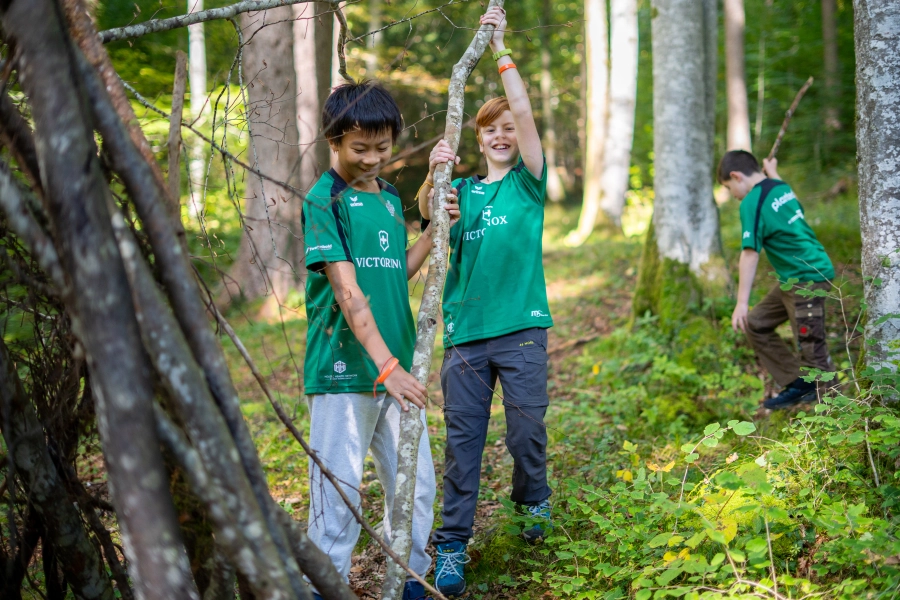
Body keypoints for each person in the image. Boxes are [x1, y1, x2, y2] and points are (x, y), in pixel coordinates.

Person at [302, 80, 458, 600]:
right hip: (344, 372)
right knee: (338, 498)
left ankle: (410, 580)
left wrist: (433, 233)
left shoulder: (390, 197)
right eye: (359, 148)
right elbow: (347, 293)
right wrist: (386, 366)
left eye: (382, 147)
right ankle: (324, 589)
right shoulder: (324, 201)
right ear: (334, 141)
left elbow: (395, 272)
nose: (371, 159)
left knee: (416, 487)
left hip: (398, 371)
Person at [418, 7, 552, 596]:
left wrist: (499, 47)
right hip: (465, 337)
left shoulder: (528, 183)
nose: (501, 136)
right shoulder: (463, 192)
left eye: (507, 129)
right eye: (489, 131)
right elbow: (426, 211)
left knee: (526, 435)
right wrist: (433, 175)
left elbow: (523, 110)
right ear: (477, 139)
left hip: (521, 330)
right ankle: (451, 547)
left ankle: (533, 500)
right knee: (462, 446)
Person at [719, 150, 835, 411]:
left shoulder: (752, 202)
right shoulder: (780, 187)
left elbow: (750, 253)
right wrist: (772, 173)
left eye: (728, 187)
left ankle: (835, 409)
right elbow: (795, 205)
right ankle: (798, 383)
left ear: (736, 176)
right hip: (792, 279)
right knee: (755, 324)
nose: (732, 194)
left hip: (807, 277)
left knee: (812, 346)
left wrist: (741, 303)